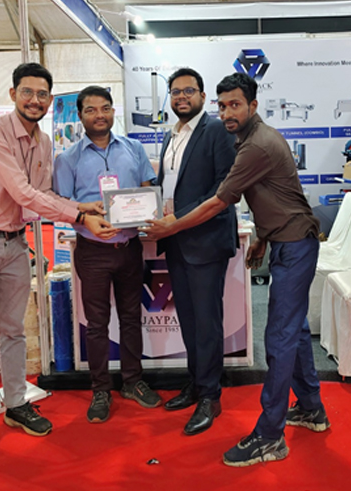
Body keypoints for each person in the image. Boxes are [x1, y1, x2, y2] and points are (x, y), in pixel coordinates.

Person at [144, 72, 330, 467]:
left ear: (253, 106)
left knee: (279, 338)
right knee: (294, 332)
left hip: (295, 246)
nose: (228, 112)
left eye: (236, 105)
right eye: (223, 105)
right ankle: (312, 408)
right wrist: (262, 236)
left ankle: (269, 436)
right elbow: (275, 195)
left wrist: (171, 227)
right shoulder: (246, 139)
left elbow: (218, 201)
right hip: (285, 240)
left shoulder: (256, 144)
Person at [0, 63, 115, 468]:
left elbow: (40, 195)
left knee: (14, 332)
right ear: (13, 94)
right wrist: (79, 216)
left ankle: (16, 404)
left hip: (13, 244)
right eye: (27, 92)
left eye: (42, 94)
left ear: (50, 100)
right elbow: (21, 191)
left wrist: (83, 206)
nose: (35, 100)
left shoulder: (43, 143)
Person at [53, 85, 162, 425]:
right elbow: (61, 204)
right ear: (80, 115)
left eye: (105, 108)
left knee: (131, 318)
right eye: (91, 110)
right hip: (92, 251)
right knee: (97, 324)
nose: (99, 115)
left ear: (114, 111)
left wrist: (145, 210)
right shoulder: (67, 159)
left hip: (129, 248)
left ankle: (133, 381)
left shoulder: (133, 148)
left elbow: (147, 188)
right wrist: (86, 214)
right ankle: (100, 389)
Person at [156, 68, 238, 435]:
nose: (181, 97)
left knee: (206, 322)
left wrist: (177, 220)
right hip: (176, 242)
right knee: (188, 320)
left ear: (203, 97)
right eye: (175, 92)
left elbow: (223, 190)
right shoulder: (171, 136)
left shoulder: (217, 130)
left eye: (189, 91)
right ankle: (196, 382)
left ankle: (210, 396)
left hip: (204, 241)